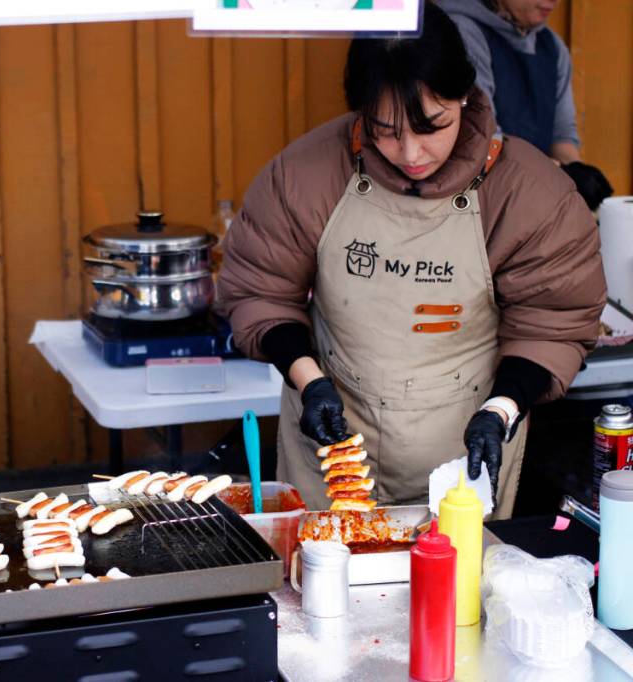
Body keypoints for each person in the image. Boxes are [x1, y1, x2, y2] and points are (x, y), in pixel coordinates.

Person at [217, 1, 605, 517]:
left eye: (432, 126)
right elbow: (259, 293)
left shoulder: (528, 193)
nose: (411, 153)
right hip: (331, 443)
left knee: (456, 591)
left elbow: (554, 322)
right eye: (384, 129)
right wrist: (309, 381)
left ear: (465, 96)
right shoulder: (305, 175)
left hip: (469, 447)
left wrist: (503, 407)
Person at [441, 0, 613, 210]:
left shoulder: (552, 47)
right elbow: (483, 138)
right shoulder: (462, 31)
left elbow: (562, 135)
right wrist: (560, 173)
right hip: (477, 199)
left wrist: (579, 174)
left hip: (534, 193)